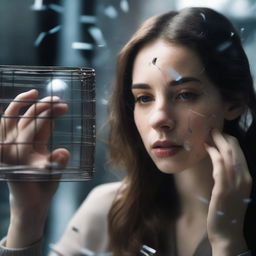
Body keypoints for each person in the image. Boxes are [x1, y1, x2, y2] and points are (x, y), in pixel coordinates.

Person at [0, 6, 255, 256]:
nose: (159, 119)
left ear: (234, 102)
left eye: (185, 94)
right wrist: (27, 215)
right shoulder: (109, 211)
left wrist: (227, 243)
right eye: (144, 98)